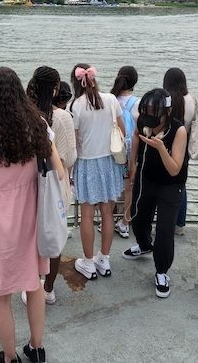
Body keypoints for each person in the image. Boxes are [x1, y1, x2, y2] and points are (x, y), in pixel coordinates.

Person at [0, 67, 64, 363]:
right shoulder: (38, 124)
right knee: (34, 283)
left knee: (1, 291)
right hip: (35, 211)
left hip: (1, 218)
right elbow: (58, 172)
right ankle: (37, 348)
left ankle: (9, 358)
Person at [122, 88, 188, 298]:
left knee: (164, 230)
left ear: (166, 112)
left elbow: (175, 168)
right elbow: (135, 138)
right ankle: (143, 245)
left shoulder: (178, 130)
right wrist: (132, 166)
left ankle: (161, 271)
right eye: (147, 111)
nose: (150, 118)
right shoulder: (143, 121)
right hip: (146, 178)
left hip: (170, 184)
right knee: (139, 219)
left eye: (155, 113)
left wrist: (160, 148)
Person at [23, 66, 76, 306]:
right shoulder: (62, 117)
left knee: (30, 238)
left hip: (29, 186)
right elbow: (69, 158)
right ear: (55, 89)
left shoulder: (24, 116)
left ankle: (31, 285)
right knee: (53, 238)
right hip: (56, 183)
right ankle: (49, 288)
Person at [69, 63, 125, 280]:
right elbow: (122, 130)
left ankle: (88, 262)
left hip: (86, 163)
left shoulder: (76, 106)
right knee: (107, 213)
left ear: (77, 81)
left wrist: (70, 171)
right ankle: (105, 259)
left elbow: (74, 141)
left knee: (87, 214)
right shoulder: (111, 100)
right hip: (109, 162)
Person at [163, 68, 198, 235]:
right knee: (181, 186)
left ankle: (164, 223)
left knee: (163, 185)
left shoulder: (166, 99)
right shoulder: (192, 100)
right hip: (184, 148)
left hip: (165, 147)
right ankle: (180, 225)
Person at [110, 66, 139, 239]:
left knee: (112, 186)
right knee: (129, 188)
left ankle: (108, 219)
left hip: (113, 150)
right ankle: (125, 222)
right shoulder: (137, 103)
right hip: (129, 153)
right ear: (134, 82)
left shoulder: (110, 99)